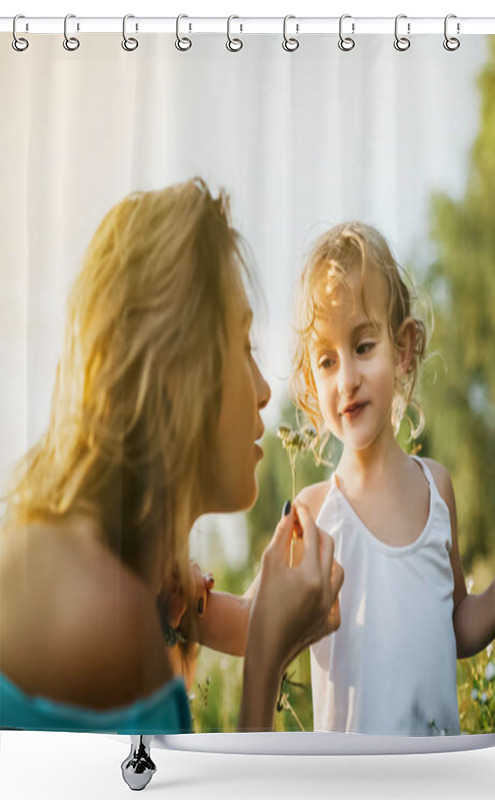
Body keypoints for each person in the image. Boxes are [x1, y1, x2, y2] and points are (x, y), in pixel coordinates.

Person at [0, 179, 343, 734]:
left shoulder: (79, 567)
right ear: (177, 373)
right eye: (243, 346)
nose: (263, 390)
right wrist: (266, 659)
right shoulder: (107, 617)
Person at [289, 222, 495, 735]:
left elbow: (453, 627)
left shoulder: (437, 489)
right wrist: (195, 607)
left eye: (364, 346)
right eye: (327, 360)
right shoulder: (313, 513)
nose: (347, 379)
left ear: (403, 349)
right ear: (310, 382)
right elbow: (257, 621)